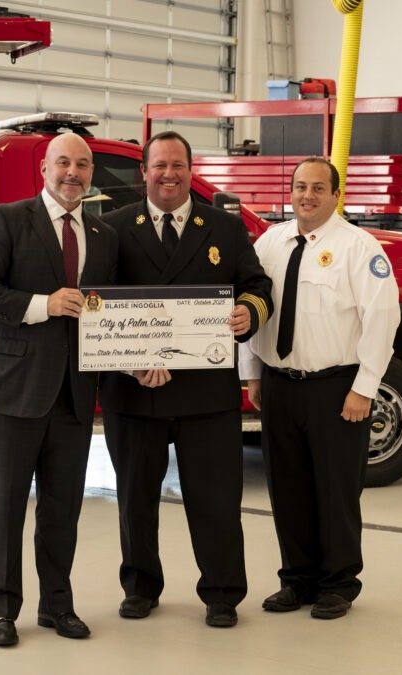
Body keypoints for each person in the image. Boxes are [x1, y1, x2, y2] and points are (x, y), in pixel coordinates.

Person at [99, 131, 273, 628]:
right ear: (144, 173)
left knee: (216, 500)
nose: (169, 174)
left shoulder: (223, 227)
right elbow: (100, 304)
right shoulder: (110, 227)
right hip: (134, 389)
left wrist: (248, 311)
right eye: (159, 166)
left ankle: (222, 592)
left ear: (190, 171)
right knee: (134, 498)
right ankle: (140, 586)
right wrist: (129, 359)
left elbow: (257, 285)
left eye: (178, 165)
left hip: (206, 394)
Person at [0, 133, 118, 647]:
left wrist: (144, 357)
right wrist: (41, 304)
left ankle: (57, 604)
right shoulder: (8, 219)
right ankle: (0, 610)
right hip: (14, 391)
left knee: (62, 509)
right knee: (3, 507)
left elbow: (114, 313)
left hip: (74, 395)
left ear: (91, 172)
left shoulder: (103, 232)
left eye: (83, 164)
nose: (73, 172)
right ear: (45, 169)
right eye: (63, 163)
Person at [239, 157, 400, 620]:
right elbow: (252, 309)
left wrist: (365, 389)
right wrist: (252, 373)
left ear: (336, 195)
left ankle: (338, 583)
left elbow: (382, 321)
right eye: (299, 186)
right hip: (279, 386)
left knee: (335, 490)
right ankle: (297, 579)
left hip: (337, 390)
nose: (307, 195)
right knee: (287, 489)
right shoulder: (270, 242)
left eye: (317, 188)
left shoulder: (358, 248)